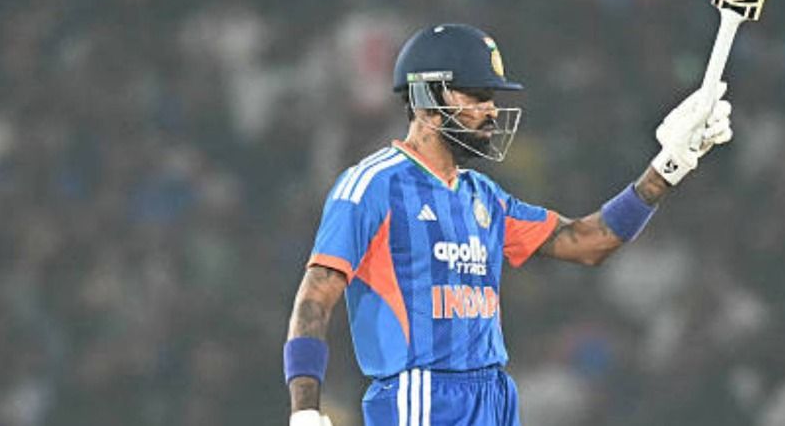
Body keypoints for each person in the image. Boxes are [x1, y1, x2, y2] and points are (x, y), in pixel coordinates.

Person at [283, 23, 733, 426]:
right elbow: (315, 296)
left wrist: (668, 166)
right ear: (427, 100)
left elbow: (589, 242)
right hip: (420, 397)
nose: (492, 110)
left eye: (492, 98)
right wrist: (304, 408)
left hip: (493, 395)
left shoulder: (484, 195)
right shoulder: (373, 185)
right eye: (477, 95)